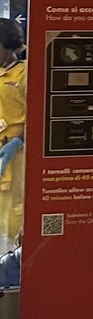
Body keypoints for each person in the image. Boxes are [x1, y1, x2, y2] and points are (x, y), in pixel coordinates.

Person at [0, 20, 27, 253]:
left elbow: (39, 115)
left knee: (15, 212)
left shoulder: (25, 73)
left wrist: (20, 139)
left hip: (16, 155)